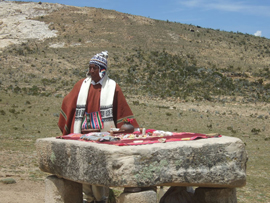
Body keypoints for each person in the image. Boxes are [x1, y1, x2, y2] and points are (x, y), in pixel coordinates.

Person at [58, 51, 139, 203]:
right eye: (90, 67)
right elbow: (68, 102)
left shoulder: (112, 87)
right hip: (82, 136)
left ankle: (102, 199)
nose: (90, 71)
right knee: (84, 170)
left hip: (103, 138)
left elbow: (122, 111)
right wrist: (68, 116)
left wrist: (125, 127)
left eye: (94, 68)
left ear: (102, 70)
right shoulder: (81, 85)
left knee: (99, 171)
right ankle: (88, 199)